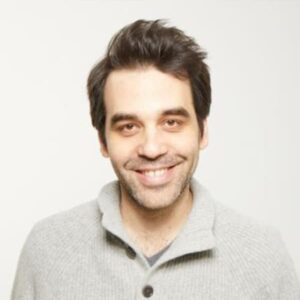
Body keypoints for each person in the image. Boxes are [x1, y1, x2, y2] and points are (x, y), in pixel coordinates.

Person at [11, 19, 300, 300]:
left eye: (171, 122)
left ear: (202, 131)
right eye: (129, 127)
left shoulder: (263, 256)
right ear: (103, 141)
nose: (151, 148)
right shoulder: (47, 250)